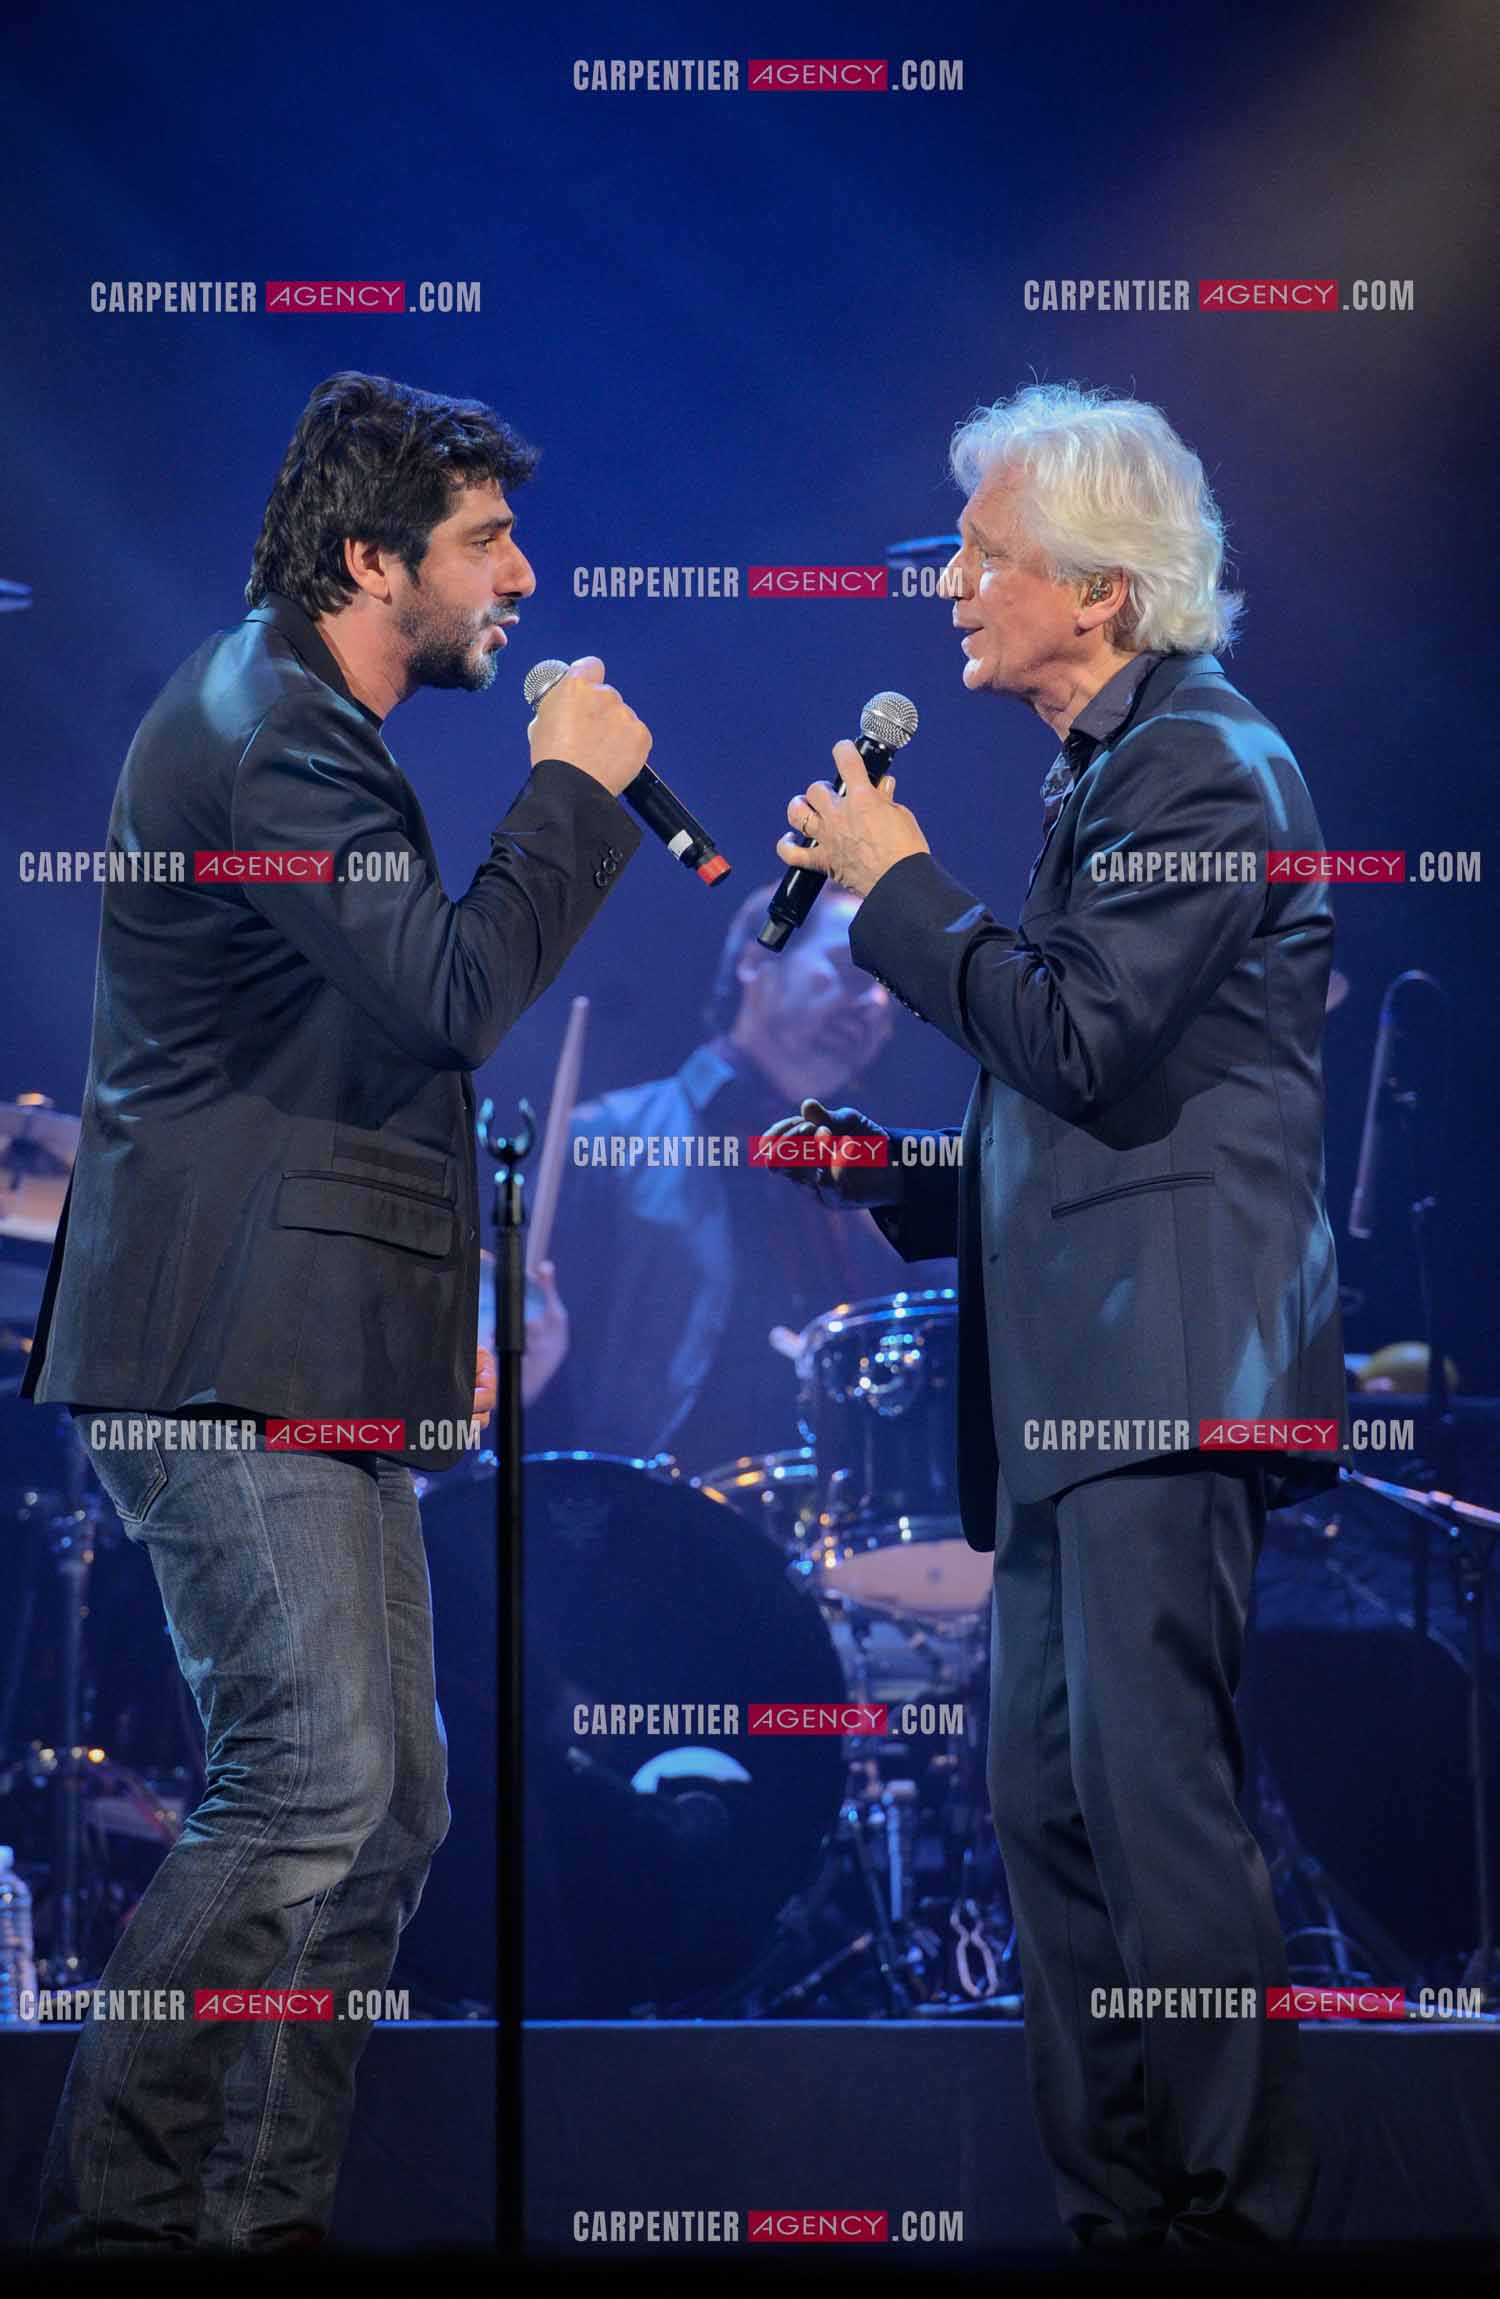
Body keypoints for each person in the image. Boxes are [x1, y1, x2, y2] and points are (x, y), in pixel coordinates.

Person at [21, 371, 650, 2252]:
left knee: (385, 1811)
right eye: (486, 542)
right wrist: (573, 790)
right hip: (218, 1352)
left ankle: (255, 2221)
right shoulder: (270, 734)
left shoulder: (300, 723)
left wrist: (446, 1314)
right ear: (375, 559)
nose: (520, 577)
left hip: (304, 1348)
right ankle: (120, 2222)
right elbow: (448, 997)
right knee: (310, 1781)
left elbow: (354, 1063)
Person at [766, 384, 1345, 2256]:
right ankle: (1122, 2215)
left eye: (983, 553)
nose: (950, 584)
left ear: (1099, 589)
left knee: (1151, 1803)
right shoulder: (1107, 772)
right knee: (1051, 1803)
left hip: (1167, 1373)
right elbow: (1092, 1103)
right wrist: (907, 1177)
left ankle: (1233, 2219)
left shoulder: (1207, 765)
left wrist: (893, 884)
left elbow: (1079, 1034)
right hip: (1075, 1377)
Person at [527, 876, 951, 1474]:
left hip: (821, 1518)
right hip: (638, 1512)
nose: (877, 1005)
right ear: (757, 962)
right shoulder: (602, 1139)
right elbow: (529, 1379)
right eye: (853, 972)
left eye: (893, 992)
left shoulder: (872, 1175)